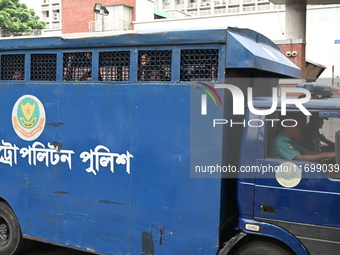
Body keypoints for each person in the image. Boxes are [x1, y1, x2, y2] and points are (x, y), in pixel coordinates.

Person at [268, 112, 335, 161]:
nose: (301, 128)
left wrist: (328, 154)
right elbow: (299, 158)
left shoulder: (292, 139)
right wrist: (327, 155)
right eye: (298, 125)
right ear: (288, 127)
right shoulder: (280, 141)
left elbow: (307, 152)